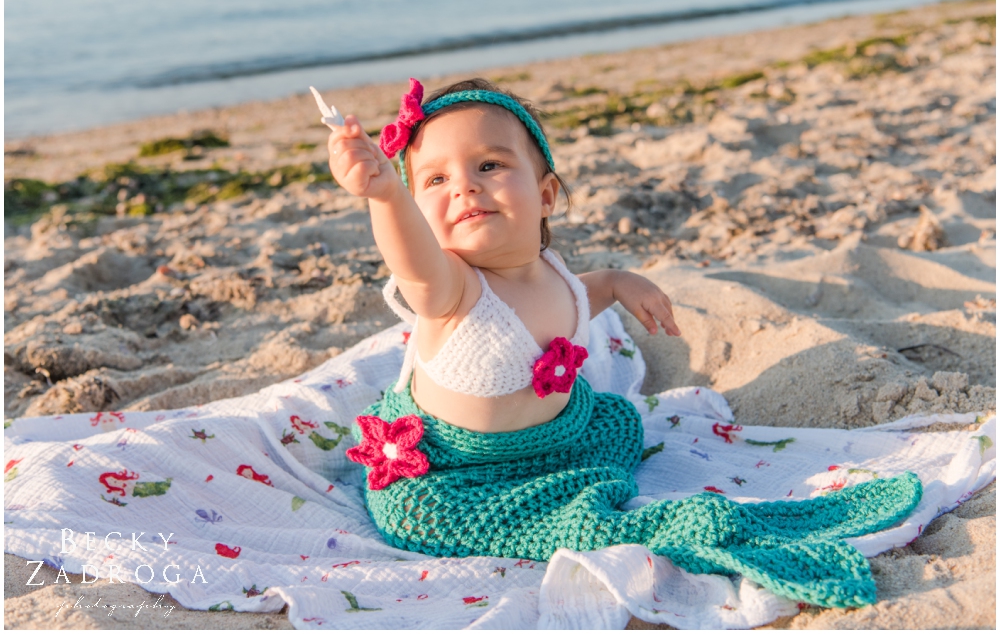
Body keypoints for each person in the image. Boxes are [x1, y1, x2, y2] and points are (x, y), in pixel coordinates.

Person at [325, 77, 921, 609]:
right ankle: (710, 530)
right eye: (435, 179)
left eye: (489, 166)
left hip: (554, 446)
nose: (465, 189)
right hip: (456, 475)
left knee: (616, 424)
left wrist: (618, 282)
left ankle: (577, 464)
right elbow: (412, 261)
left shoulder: (553, 275)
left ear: (547, 196)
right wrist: (384, 195)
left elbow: (583, 294)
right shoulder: (451, 290)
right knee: (494, 521)